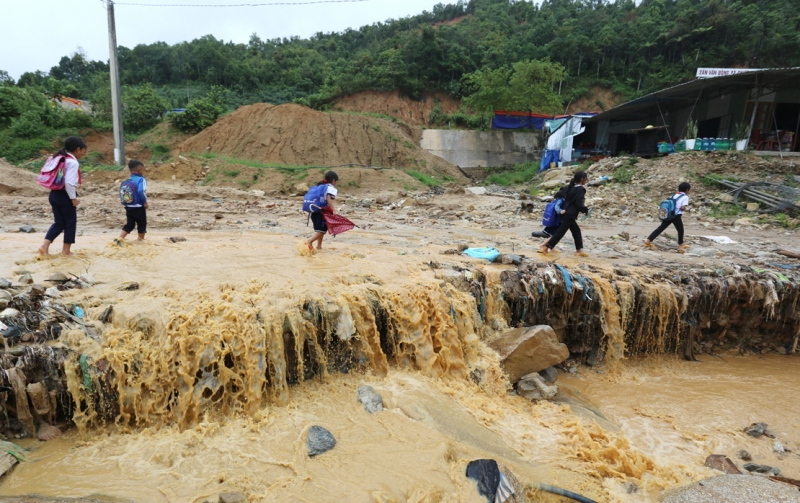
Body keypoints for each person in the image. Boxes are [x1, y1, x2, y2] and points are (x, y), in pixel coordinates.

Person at [38, 136, 87, 256]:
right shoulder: (72, 162)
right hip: (65, 196)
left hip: (54, 194)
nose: (83, 154)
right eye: (83, 151)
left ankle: (44, 246)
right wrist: (73, 199)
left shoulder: (58, 158)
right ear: (78, 149)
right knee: (70, 223)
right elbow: (69, 183)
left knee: (59, 223)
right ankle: (66, 251)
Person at [539, 171, 590, 257]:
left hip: (566, 213)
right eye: (585, 178)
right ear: (582, 179)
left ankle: (578, 250)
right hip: (570, 215)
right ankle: (546, 247)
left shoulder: (571, 188)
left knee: (576, 231)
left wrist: (563, 209)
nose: (586, 180)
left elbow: (564, 198)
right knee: (560, 232)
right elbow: (578, 202)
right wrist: (585, 210)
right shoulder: (581, 189)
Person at [644, 182, 691, 253]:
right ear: (687, 190)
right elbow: (683, 208)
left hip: (668, 214)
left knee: (660, 228)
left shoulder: (673, 195)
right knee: (680, 230)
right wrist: (684, 209)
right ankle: (680, 245)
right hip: (676, 216)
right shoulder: (685, 197)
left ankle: (648, 240)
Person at [305, 171, 339, 251]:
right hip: (320, 212)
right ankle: (309, 241)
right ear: (334, 181)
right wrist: (333, 210)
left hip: (314, 211)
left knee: (320, 230)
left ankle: (319, 246)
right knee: (322, 231)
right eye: (336, 181)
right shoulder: (330, 187)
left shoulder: (321, 186)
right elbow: (328, 198)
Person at [116, 160, 149, 243]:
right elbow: (141, 191)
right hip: (138, 206)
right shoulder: (141, 179)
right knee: (142, 224)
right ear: (140, 170)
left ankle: (119, 239)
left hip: (128, 206)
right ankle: (140, 241)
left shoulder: (128, 180)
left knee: (129, 224)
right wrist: (145, 202)